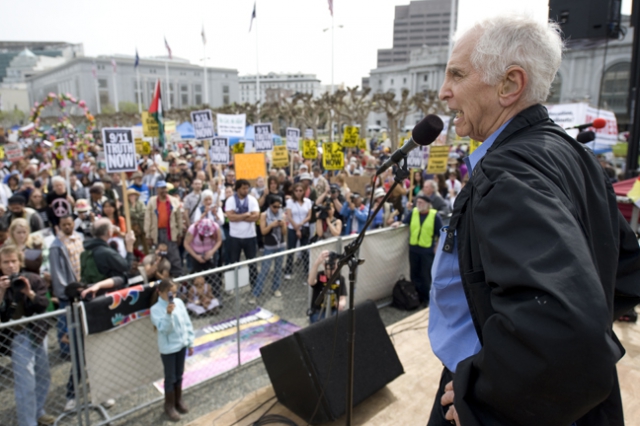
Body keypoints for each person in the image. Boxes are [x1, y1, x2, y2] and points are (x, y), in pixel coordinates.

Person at [427, 15, 640, 426]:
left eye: (457, 74)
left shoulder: (507, 173)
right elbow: (626, 273)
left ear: (510, 84)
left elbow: (567, 329)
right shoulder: (573, 155)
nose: (444, 92)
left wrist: (483, 393)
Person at [0, 244, 55, 426]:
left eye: (13, 261)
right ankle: (28, 422)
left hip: (38, 333)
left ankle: (38, 411)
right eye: (5, 262)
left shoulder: (32, 278)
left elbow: (44, 304)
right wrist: (1, 293)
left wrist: (29, 293)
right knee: (26, 383)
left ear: (20, 262)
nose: (10, 266)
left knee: (43, 375)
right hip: (17, 336)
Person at [150, 279, 194, 421]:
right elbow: (164, 329)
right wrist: (168, 314)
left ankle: (178, 400)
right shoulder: (155, 310)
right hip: (168, 349)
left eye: (175, 292)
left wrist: (190, 342)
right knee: (170, 378)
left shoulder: (179, 303)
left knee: (179, 374)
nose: (173, 296)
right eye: (170, 293)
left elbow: (187, 323)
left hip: (180, 345)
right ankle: (169, 405)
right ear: (160, 292)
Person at [392, 195, 441, 304]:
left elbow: (440, 233)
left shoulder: (434, 216)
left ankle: (427, 299)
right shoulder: (413, 212)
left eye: (421, 202)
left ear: (428, 204)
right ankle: (416, 297)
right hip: (414, 249)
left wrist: (436, 247)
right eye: (417, 202)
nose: (418, 204)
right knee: (414, 274)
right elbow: (405, 221)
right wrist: (398, 223)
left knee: (425, 275)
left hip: (427, 250)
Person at [49, 215, 83, 356]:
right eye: (64, 225)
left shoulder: (79, 238)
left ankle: (77, 348)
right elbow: (57, 272)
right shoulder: (56, 246)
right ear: (60, 226)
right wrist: (63, 291)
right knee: (65, 320)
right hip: (67, 289)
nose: (67, 227)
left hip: (79, 284)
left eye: (69, 224)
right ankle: (65, 351)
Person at [225, 179, 260, 287]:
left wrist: (238, 216)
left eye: (247, 188)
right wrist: (246, 215)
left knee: (252, 263)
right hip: (235, 237)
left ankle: (254, 285)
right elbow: (230, 217)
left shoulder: (252, 200)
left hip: (250, 236)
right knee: (233, 263)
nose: (246, 190)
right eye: (243, 188)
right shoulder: (230, 200)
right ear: (238, 189)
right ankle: (232, 285)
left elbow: (256, 217)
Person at [144, 181, 184, 277]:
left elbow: (179, 218)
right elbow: (148, 219)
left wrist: (179, 233)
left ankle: (179, 280)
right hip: (157, 232)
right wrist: (148, 235)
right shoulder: (152, 201)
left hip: (171, 232)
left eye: (165, 188)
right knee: (159, 255)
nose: (164, 190)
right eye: (161, 188)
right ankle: (161, 280)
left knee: (174, 256)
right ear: (157, 190)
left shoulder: (174, 201)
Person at [253, 197, 287, 303]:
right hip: (269, 245)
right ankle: (256, 293)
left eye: (279, 206)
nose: (276, 209)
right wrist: (271, 225)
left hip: (281, 245)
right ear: (269, 205)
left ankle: (276, 288)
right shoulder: (264, 215)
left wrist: (283, 225)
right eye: (274, 206)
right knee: (264, 269)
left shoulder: (282, 214)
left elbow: (284, 233)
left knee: (278, 268)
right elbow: (263, 232)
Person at [82, 218, 136, 285]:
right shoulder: (106, 252)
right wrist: (129, 245)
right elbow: (126, 267)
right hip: (111, 289)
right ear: (109, 232)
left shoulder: (87, 247)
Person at [183, 218, 222, 300]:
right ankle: (196, 298)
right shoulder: (192, 228)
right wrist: (196, 256)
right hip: (196, 254)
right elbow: (186, 244)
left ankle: (216, 297)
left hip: (210, 253)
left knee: (213, 276)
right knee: (198, 277)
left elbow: (219, 241)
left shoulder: (215, 227)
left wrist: (211, 252)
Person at [307, 250, 346, 324]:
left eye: (335, 266)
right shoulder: (320, 275)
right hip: (318, 310)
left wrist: (341, 303)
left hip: (333, 310)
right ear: (325, 265)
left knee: (338, 323)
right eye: (331, 266)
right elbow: (310, 282)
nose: (334, 269)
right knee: (318, 328)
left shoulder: (340, 279)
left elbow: (343, 298)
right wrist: (317, 262)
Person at [284, 183, 312, 280]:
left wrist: (301, 224)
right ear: (293, 191)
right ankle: (288, 271)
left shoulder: (308, 201)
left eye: (301, 190)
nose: (298, 193)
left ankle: (307, 271)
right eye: (296, 191)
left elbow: (309, 216)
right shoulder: (290, 202)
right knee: (291, 250)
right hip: (292, 228)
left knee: (305, 251)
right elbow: (289, 216)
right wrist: (297, 228)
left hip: (304, 228)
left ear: (304, 191)